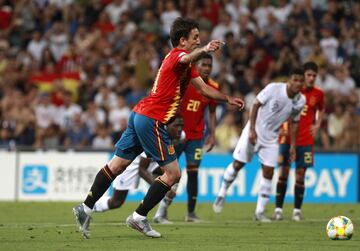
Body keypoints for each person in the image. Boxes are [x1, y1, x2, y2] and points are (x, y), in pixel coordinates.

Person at [72, 17, 244, 239]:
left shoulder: (187, 65)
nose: (199, 40)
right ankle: (139, 217)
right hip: (152, 119)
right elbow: (188, 57)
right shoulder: (177, 57)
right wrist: (205, 49)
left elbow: (203, 89)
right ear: (183, 40)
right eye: (195, 37)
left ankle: (85, 208)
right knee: (173, 173)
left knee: (117, 165)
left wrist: (227, 98)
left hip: (140, 114)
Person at [213, 68, 306, 222]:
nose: (298, 83)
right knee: (238, 164)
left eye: (300, 81)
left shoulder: (300, 100)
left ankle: (259, 212)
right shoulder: (274, 88)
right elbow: (255, 105)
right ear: (289, 80)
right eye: (295, 79)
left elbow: (295, 123)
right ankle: (222, 192)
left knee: (269, 172)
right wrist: (252, 130)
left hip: (271, 138)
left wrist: (293, 145)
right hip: (254, 130)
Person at [153, 53, 219, 224]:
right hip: (177, 135)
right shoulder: (185, 82)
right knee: (171, 173)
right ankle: (161, 212)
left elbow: (211, 113)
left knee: (193, 174)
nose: (207, 69)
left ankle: (190, 213)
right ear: (196, 66)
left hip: (197, 137)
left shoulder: (213, 87)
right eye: (204, 65)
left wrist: (212, 134)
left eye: (209, 66)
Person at [92, 116, 184, 215]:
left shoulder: (181, 136)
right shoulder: (156, 138)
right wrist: (161, 188)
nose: (179, 129)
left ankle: (161, 214)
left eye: (181, 126)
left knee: (176, 171)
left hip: (152, 162)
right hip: (131, 163)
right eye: (176, 126)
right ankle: (92, 206)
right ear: (167, 126)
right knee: (116, 202)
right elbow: (142, 169)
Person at [273, 62, 324, 221]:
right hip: (287, 138)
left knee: (300, 175)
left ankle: (296, 211)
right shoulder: (293, 91)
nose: (311, 78)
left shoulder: (318, 94)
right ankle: (278, 210)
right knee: (283, 173)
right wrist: (278, 126)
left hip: (305, 139)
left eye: (314, 76)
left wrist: (318, 124)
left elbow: (321, 109)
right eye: (309, 75)